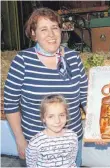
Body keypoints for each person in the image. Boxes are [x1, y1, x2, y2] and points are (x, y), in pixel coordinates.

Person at [4, 7, 88, 167]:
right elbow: (11, 104)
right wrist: (20, 140)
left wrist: (96, 128)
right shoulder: (22, 61)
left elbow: (85, 98)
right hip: (37, 144)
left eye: (54, 28)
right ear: (34, 34)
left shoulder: (73, 58)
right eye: (44, 29)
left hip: (70, 142)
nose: (51, 34)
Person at [26, 94, 78, 168]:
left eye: (61, 115)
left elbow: (72, 161)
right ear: (43, 118)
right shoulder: (35, 142)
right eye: (51, 116)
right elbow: (31, 164)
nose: (57, 121)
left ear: (66, 115)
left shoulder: (72, 137)